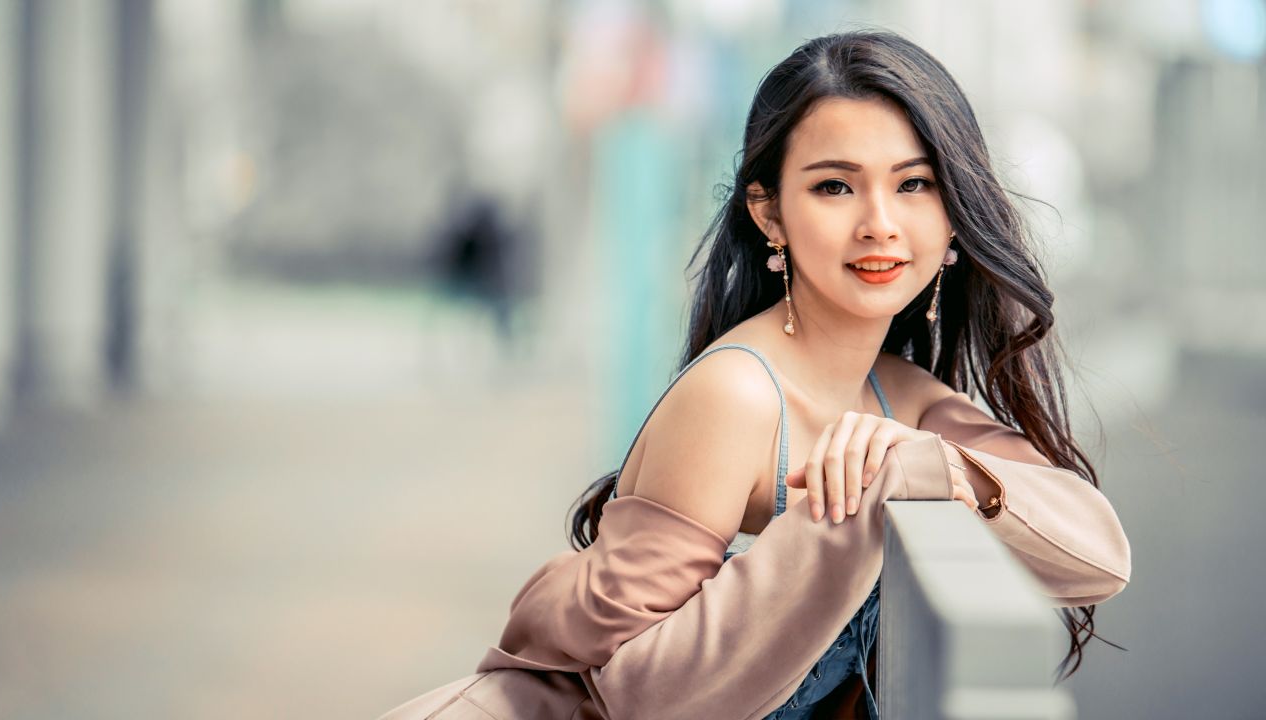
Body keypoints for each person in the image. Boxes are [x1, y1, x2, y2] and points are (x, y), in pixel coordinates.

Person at [380, 29, 1131, 720]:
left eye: (916, 184)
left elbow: (1100, 557)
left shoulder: (897, 395)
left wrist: (928, 464)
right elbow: (644, 697)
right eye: (835, 186)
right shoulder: (737, 393)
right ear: (769, 214)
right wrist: (849, 511)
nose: (880, 223)